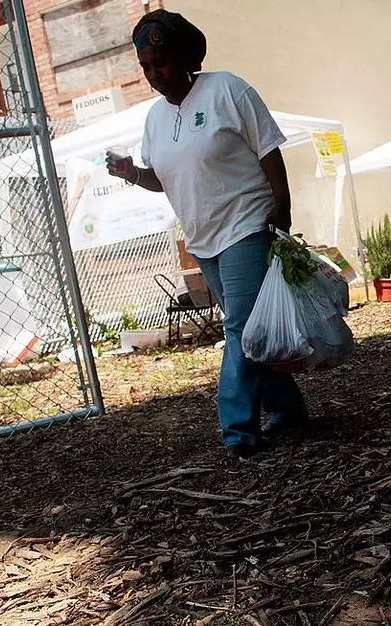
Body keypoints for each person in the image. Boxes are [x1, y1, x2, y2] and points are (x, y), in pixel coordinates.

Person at [106, 10, 307, 461]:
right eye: (146, 68)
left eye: (160, 62)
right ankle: (288, 408)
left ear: (182, 56)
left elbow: (269, 149)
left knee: (238, 328)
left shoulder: (227, 90)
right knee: (254, 328)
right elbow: (163, 178)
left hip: (247, 224)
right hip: (203, 238)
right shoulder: (155, 119)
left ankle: (236, 429)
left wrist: (281, 210)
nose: (154, 74)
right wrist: (131, 173)